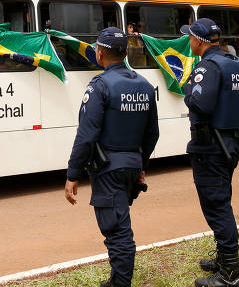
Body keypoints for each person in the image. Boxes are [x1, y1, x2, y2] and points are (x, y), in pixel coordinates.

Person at [65, 27, 159, 287]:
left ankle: (120, 283)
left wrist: (73, 175)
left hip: (108, 170)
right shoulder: (144, 85)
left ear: (100, 52)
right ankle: (116, 280)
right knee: (119, 224)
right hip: (131, 166)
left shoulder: (100, 86)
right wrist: (141, 164)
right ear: (125, 52)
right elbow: (152, 134)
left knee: (117, 232)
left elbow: (86, 135)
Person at [181, 18, 239, 287]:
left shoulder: (207, 66)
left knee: (216, 205)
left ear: (199, 40)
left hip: (210, 146)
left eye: (190, 38)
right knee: (221, 198)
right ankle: (225, 258)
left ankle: (231, 274)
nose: (189, 41)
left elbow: (199, 102)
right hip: (230, 141)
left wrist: (187, 87)